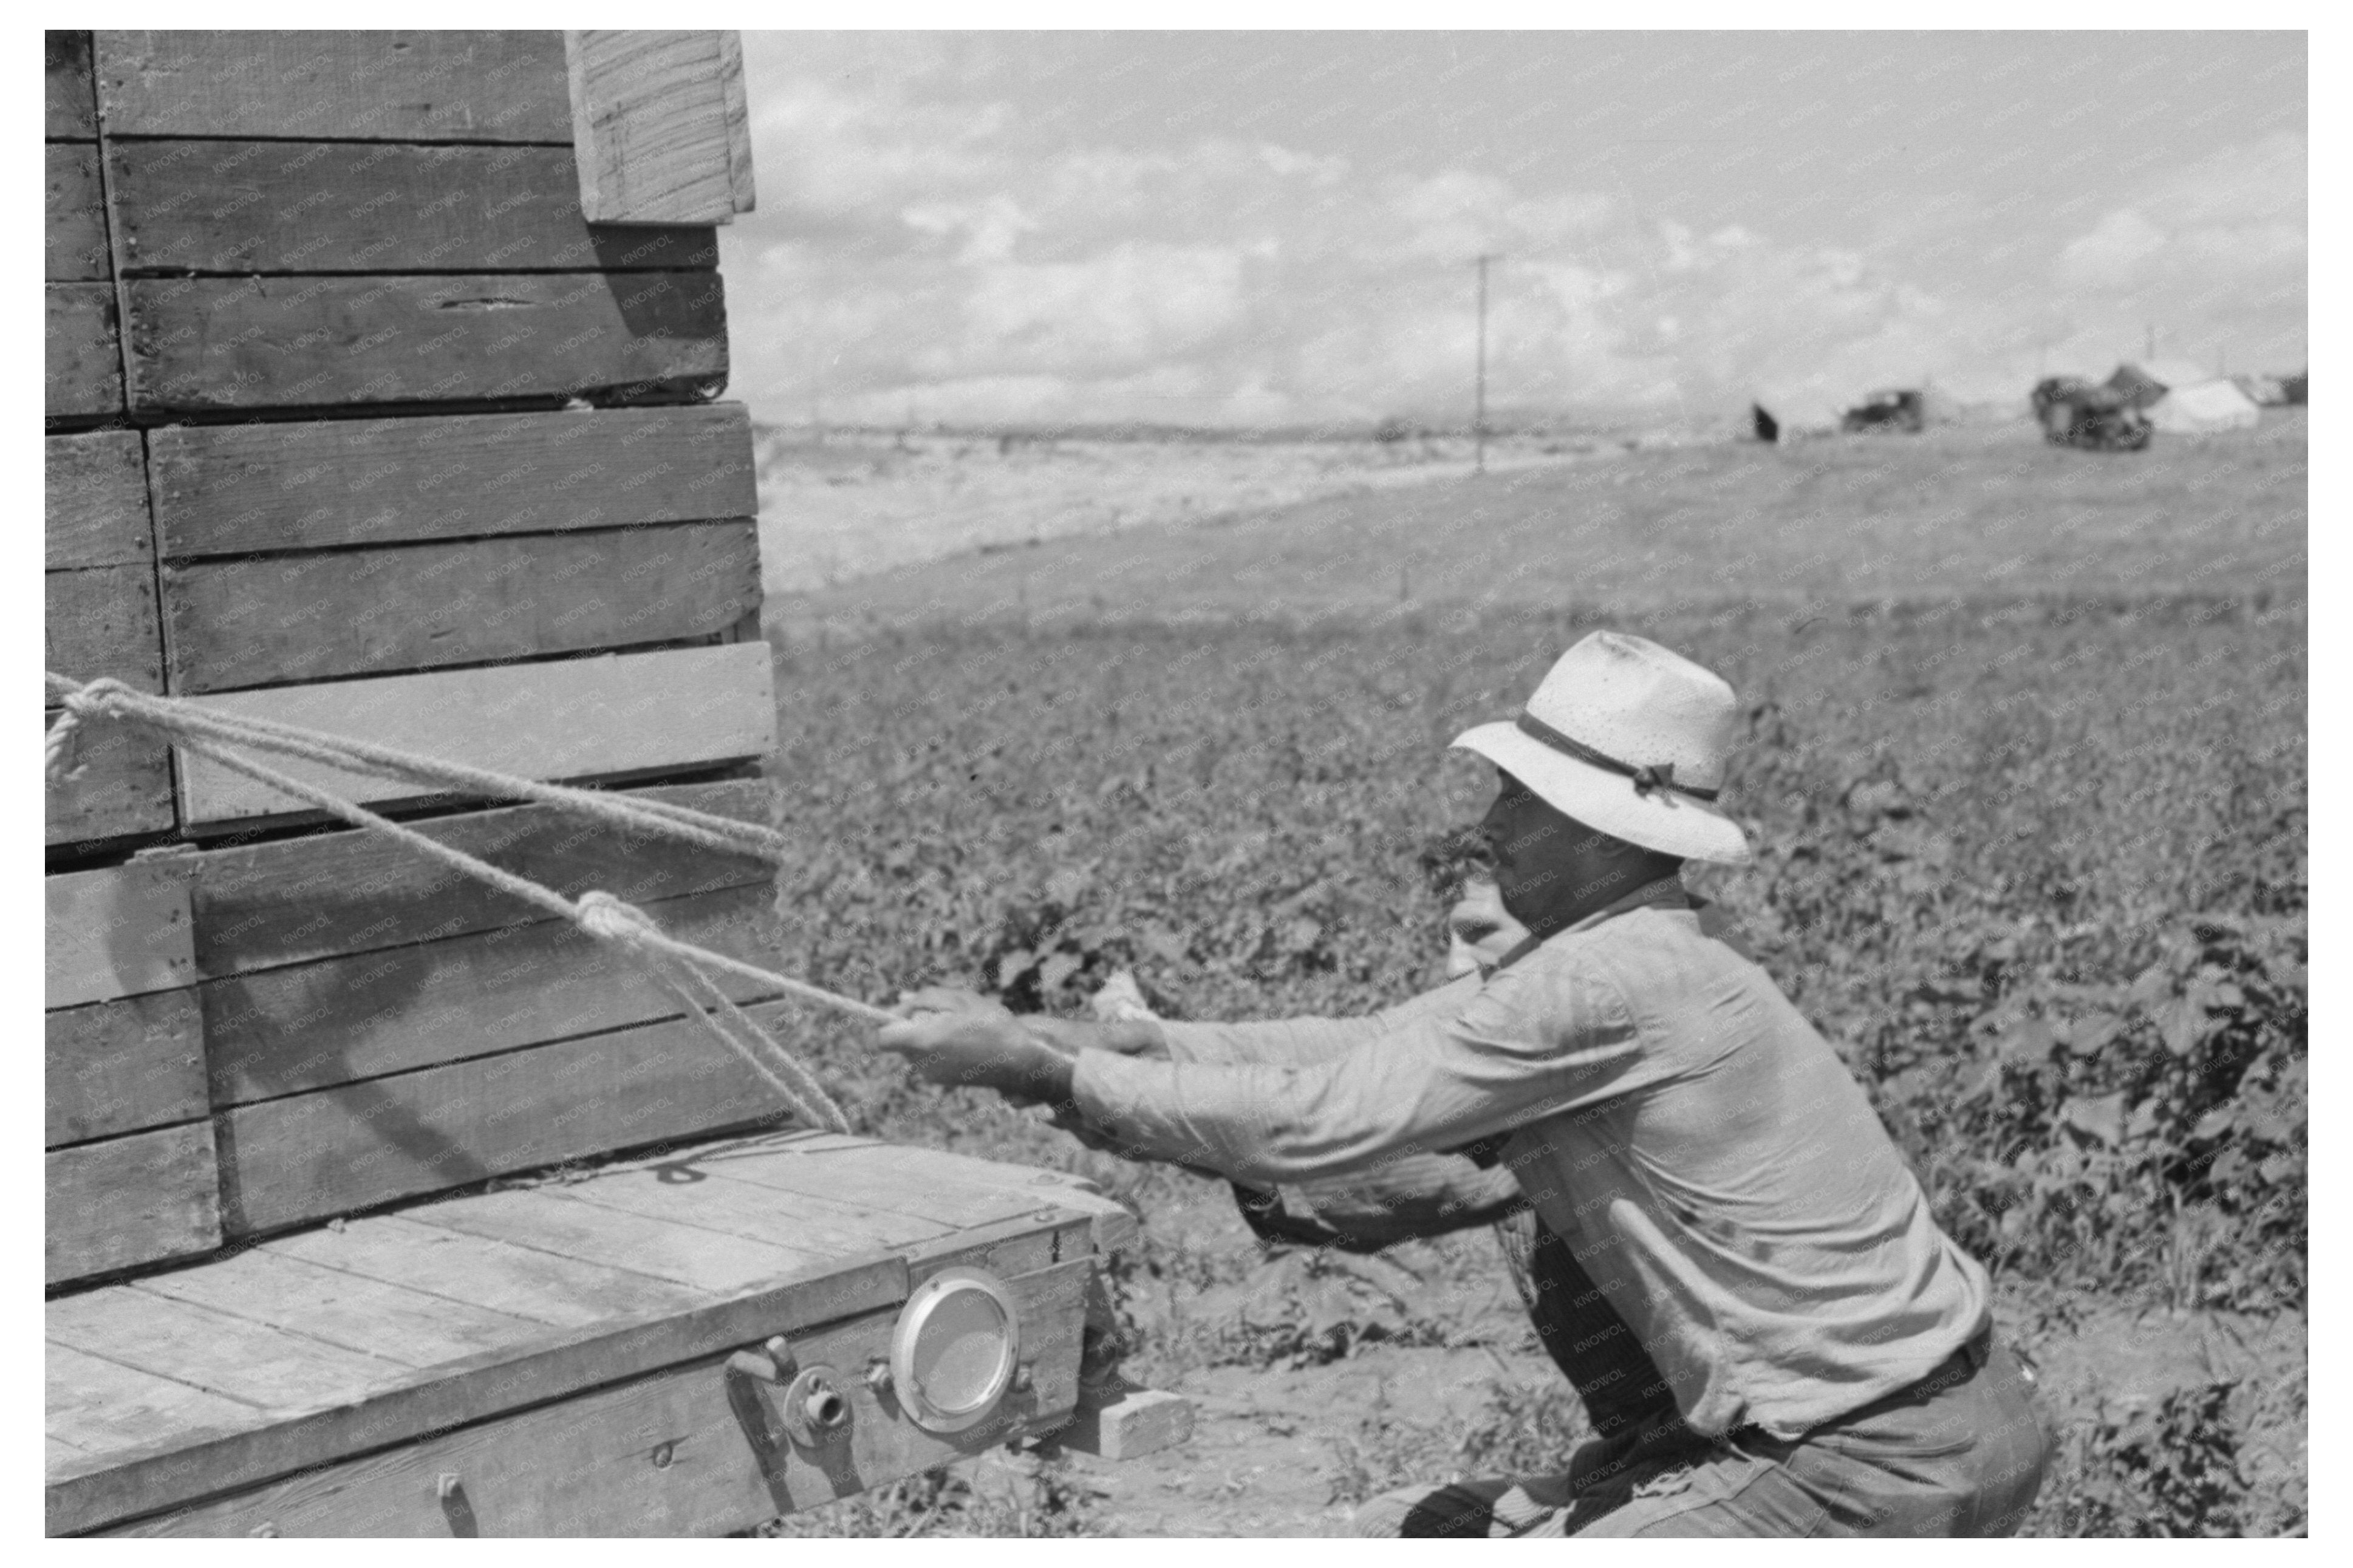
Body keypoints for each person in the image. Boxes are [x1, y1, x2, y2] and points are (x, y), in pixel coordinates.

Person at [880, 631, 2051, 1536]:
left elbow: (1315, 1120)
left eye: (1518, 805)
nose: (1490, 828)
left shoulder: (1603, 986)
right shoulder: (1635, 958)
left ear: (1602, 835)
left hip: (1863, 1458)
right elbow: (1339, 1047)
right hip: (1954, 1415)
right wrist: (1058, 1043)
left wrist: (1045, 1069)